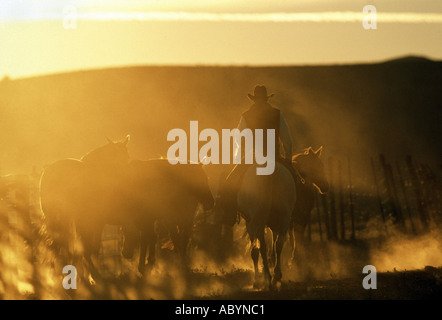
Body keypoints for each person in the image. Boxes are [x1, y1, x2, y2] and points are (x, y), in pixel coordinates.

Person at [218, 85, 295, 225]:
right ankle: (296, 214)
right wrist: (288, 160)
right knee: (296, 182)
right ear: (266, 99)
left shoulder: (246, 116)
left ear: (254, 100)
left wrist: (241, 157)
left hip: (253, 158)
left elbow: (239, 140)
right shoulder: (277, 114)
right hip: (275, 157)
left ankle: (228, 215)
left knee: (227, 186)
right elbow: (287, 141)